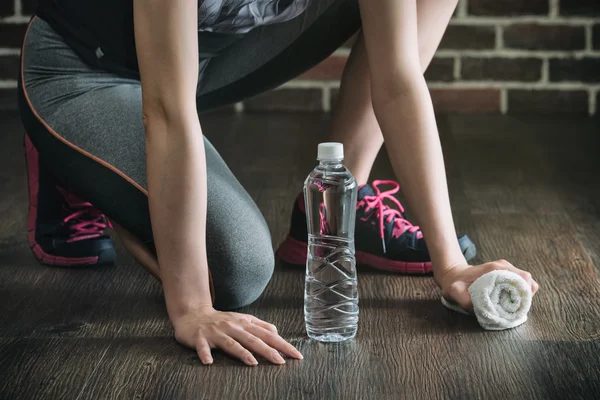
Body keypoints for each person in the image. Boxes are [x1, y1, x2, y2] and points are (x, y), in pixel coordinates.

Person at [18, 0, 539, 366]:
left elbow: (398, 79)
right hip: (89, 72)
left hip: (206, 55)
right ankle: (79, 163)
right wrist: (192, 306)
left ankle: (339, 208)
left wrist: (450, 265)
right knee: (238, 272)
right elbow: (167, 111)